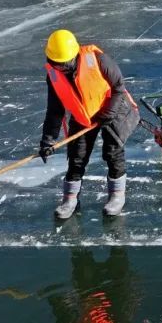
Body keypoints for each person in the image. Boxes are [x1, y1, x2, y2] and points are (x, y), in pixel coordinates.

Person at [38, 30, 139, 219]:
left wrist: (108, 113)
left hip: (112, 109)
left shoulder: (98, 60)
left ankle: (117, 195)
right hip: (82, 116)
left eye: (63, 64)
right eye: (56, 64)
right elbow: (54, 110)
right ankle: (70, 198)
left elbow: (119, 87)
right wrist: (48, 141)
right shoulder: (53, 76)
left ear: (73, 56)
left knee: (113, 151)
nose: (59, 68)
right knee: (77, 157)